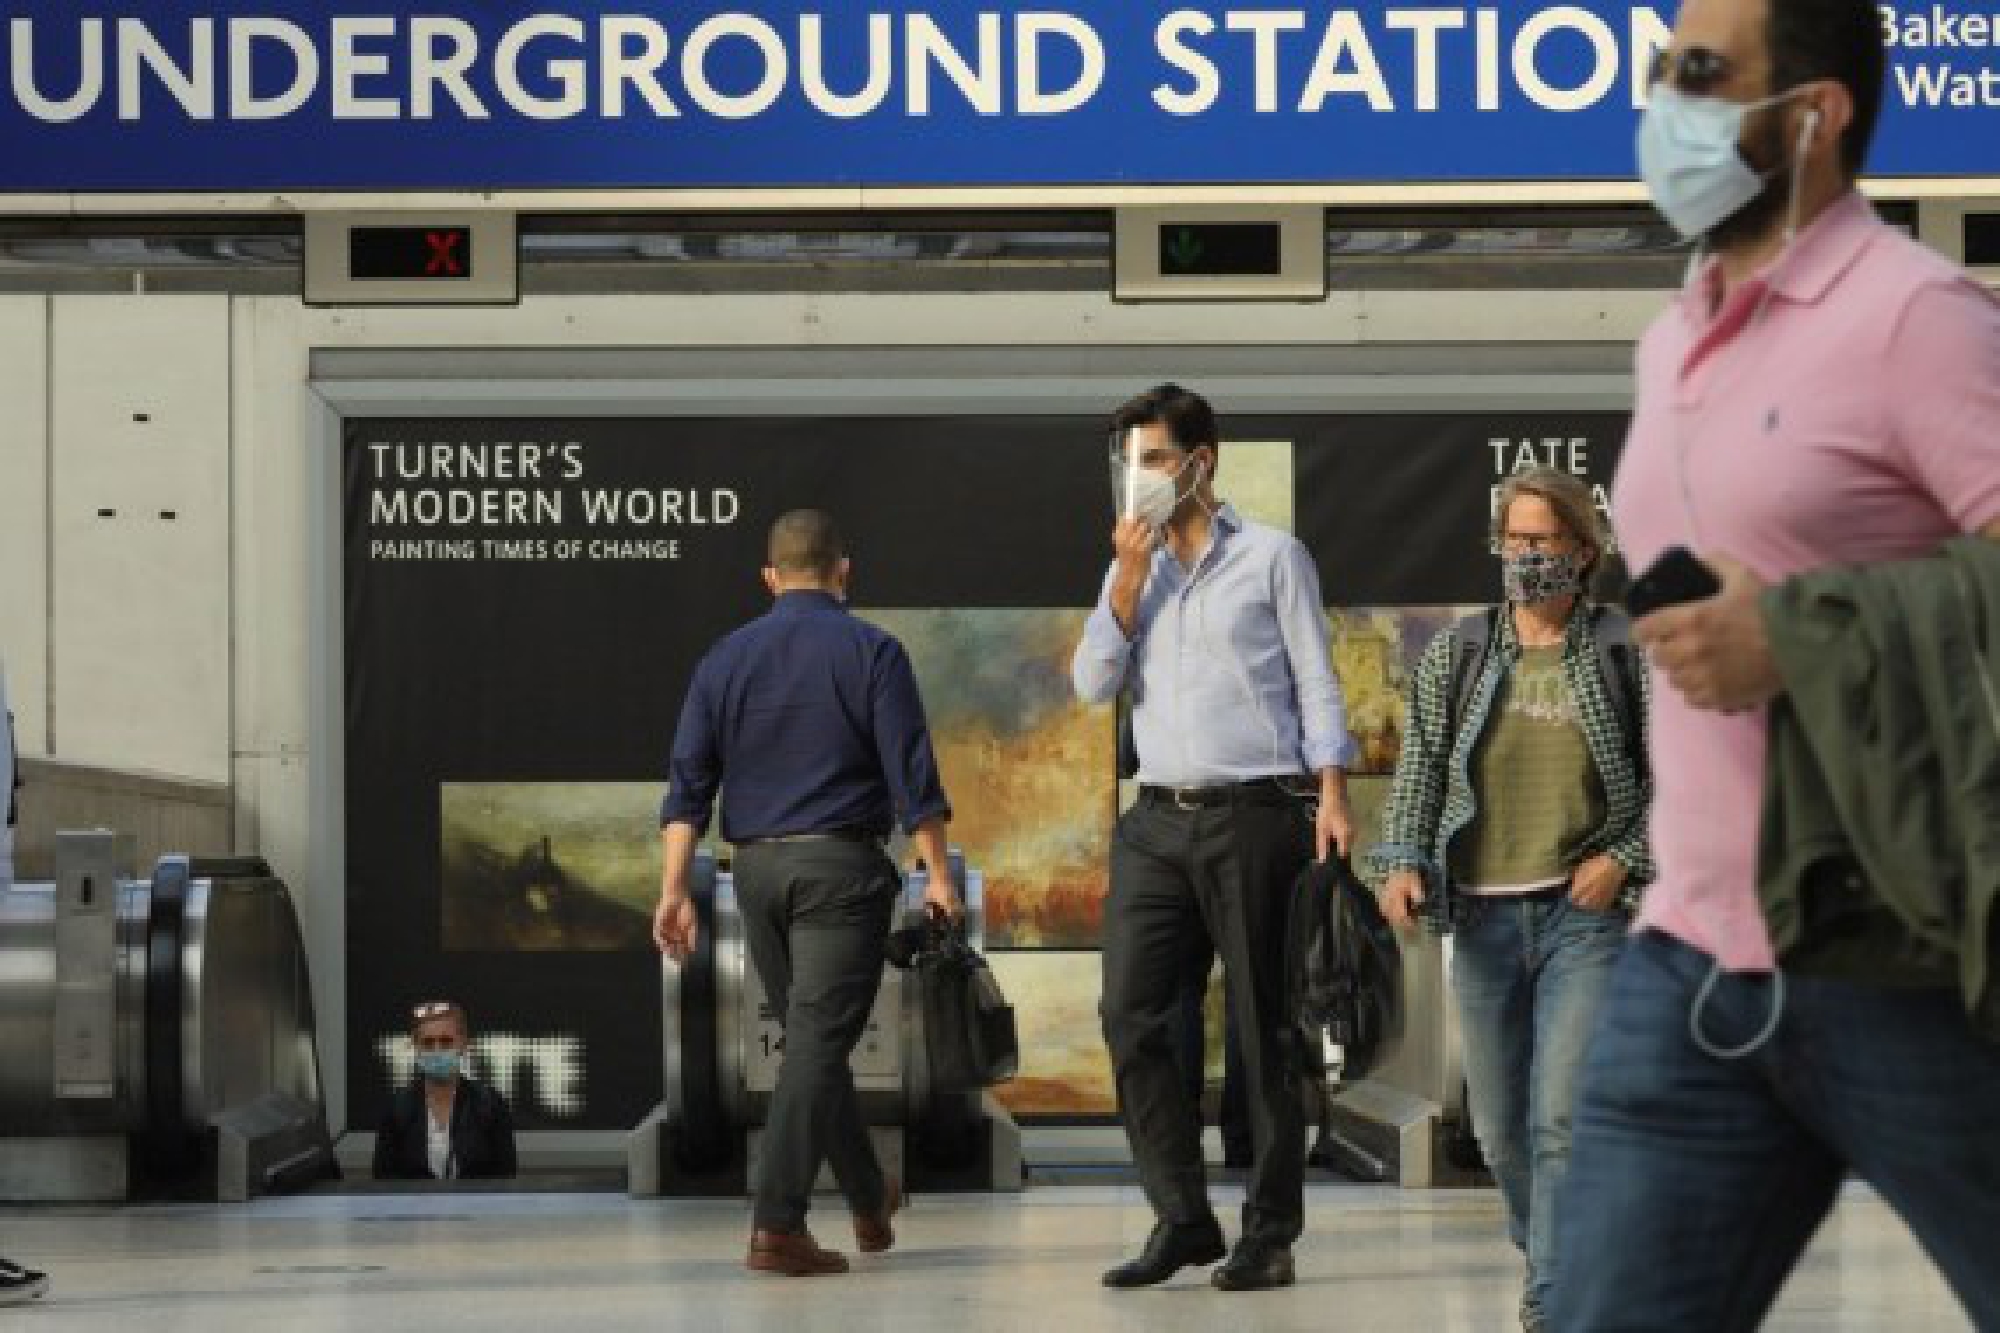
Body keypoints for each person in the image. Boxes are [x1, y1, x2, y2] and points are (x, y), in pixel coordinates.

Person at [1552, 0, 2000, 1327]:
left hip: (1901, 959)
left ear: (1814, 116)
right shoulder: (1672, 335)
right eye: (1661, 72)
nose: (1662, 105)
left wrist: (1803, 634)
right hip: (1689, 962)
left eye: (1700, 76)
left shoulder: (1919, 319)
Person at [1073, 383, 1356, 1292]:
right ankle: (1181, 1218)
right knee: (1131, 1015)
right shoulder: (1133, 568)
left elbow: (1317, 680)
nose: (1139, 476)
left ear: (1202, 461)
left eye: (1154, 458)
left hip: (1257, 813)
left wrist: (1335, 792)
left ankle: (1269, 1233)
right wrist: (1123, 580)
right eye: (1130, 461)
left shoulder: (1274, 556)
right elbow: (1088, 681)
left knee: (1264, 1027)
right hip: (1154, 819)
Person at [1373, 467, 1653, 1333]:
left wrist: (1625, 855)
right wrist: (1402, 861)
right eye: (1515, 540)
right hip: (1484, 920)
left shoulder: (1622, 647)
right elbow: (1420, 767)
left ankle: (1555, 1304)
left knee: (1561, 1116)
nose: (1528, 557)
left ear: (1583, 549)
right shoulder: (1460, 651)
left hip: (1585, 916)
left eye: (1545, 541)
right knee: (1499, 1132)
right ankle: (1560, 1261)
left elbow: (1683, 777)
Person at [654, 508, 961, 1278]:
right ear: (843, 570)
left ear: (769, 577)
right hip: (841, 875)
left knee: (809, 1051)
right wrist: (940, 874)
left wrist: (674, 889)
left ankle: (866, 1195)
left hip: (753, 872)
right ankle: (777, 1225)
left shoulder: (724, 659)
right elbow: (911, 774)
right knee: (819, 1048)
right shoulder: (873, 652)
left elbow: (688, 783)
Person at [373, 1000, 517, 1181]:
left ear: (464, 1044)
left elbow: (506, 1178)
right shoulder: (397, 1107)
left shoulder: (490, 1104)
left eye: (446, 1041)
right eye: (428, 1042)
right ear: (415, 1047)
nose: (437, 1050)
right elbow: (383, 1180)